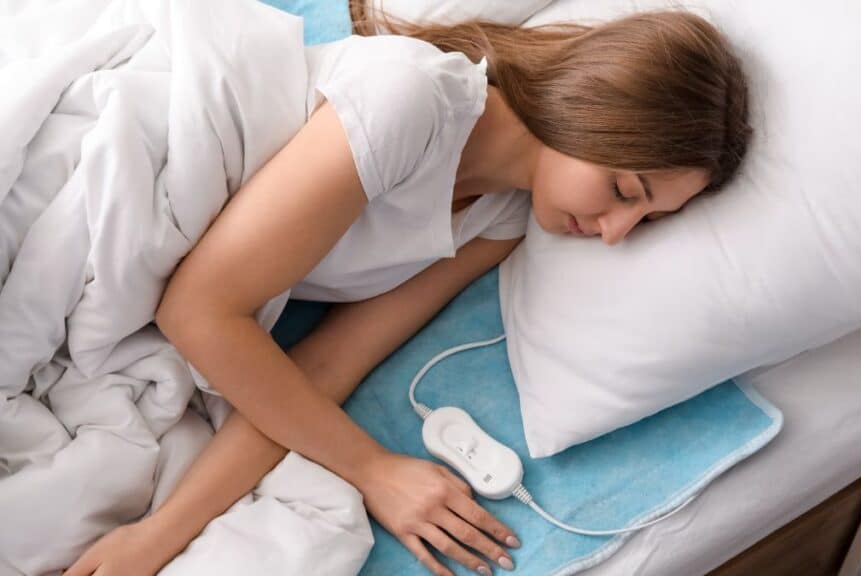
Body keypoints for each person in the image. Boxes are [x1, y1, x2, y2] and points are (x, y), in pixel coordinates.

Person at [64, 3, 751, 576]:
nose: (615, 233)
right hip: (103, 177)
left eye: (646, 219)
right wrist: (372, 468)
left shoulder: (503, 219)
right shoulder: (414, 100)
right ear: (594, 112)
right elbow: (198, 312)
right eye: (625, 192)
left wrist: (158, 537)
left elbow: (327, 366)